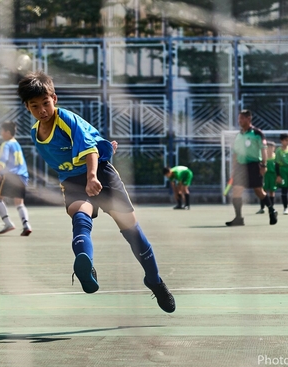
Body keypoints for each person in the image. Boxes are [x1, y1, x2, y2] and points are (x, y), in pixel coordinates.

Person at [17, 71, 175, 313]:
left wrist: (92, 175)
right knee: (80, 216)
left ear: (54, 99)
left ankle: (154, 279)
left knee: (131, 229)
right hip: (72, 180)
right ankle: (86, 265)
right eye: (35, 106)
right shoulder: (34, 134)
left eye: (45, 103)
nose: (42, 110)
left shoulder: (66, 120)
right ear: (27, 107)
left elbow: (89, 148)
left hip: (100, 174)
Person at [226, 109, 278, 226]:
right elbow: (235, 153)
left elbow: (263, 150)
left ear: (249, 119)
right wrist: (234, 169)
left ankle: (271, 210)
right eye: (239, 118)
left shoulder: (257, 133)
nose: (239, 121)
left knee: (258, 191)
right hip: (240, 167)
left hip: (254, 165)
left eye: (242, 118)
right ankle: (238, 218)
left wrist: (263, 165)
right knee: (236, 191)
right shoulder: (238, 135)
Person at [0, 122, 32, 236]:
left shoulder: (6, 144)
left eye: (2, 131)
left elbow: (3, 160)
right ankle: (26, 225)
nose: (1, 133)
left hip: (11, 176)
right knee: (19, 203)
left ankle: (8, 223)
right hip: (22, 176)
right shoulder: (17, 144)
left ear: (8, 132)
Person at [256, 141, 277, 214]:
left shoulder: (276, 157)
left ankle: (271, 208)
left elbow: (278, 167)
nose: (270, 149)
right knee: (263, 191)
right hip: (265, 175)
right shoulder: (263, 157)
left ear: (274, 148)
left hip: (273, 176)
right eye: (268, 147)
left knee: (272, 191)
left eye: (272, 147)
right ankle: (262, 208)